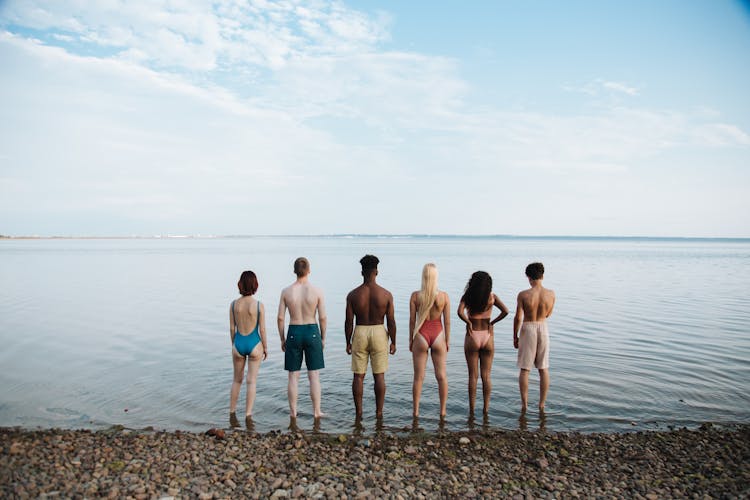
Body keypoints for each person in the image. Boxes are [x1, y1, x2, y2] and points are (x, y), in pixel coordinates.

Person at [345, 254, 397, 420]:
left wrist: (348, 341)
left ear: (362, 272)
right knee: (379, 375)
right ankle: (379, 413)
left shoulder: (353, 295)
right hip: (379, 332)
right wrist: (394, 341)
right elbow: (391, 321)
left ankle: (359, 413)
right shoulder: (386, 294)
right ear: (376, 272)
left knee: (358, 376)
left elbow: (348, 322)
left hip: (360, 331)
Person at [277, 257, 327, 419]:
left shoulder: (286, 291)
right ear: (309, 270)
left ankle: (293, 412)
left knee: (293, 375)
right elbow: (323, 318)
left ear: (294, 271)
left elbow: (280, 318)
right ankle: (317, 412)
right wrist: (323, 338)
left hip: (294, 331)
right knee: (314, 375)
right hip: (312, 330)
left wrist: (282, 339)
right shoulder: (317, 291)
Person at [457, 271, 509, 416]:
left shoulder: (467, 297)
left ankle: (472, 410)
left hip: (472, 335)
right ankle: (486, 409)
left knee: (472, 376)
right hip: (487, 335)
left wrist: (467, 321)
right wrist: (492, 323)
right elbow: (505, 311)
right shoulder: (492, 297)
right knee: (486, 376)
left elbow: (459, 312)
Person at [409, 263, 450, 418]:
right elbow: (447, 322)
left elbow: (412, 321)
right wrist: (447, 340)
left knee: (418, 377)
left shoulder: (415, 296)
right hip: (439, 334)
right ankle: (443, 411)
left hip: (420, 335)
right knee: (441, 376)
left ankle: (416, 412)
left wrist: (410, 340)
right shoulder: (444, 296)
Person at [514, 262, 555, 412]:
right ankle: (542, 404)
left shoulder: (523, 294)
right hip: (543, 327)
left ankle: (524, 405)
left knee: (525, 369)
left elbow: (518, 317)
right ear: (542, 276)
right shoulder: (551, 294)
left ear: (528, 277)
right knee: (543, 368)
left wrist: (515, 336)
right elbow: (548, 314)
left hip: (528, 327)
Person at [229, 270, 268, 422]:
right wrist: (265, 347)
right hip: (254, 344)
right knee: (251, 381)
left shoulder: (233, 305)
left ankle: (232, 412)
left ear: (240, 284)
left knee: (236, 380)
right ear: (255, 285)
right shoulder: (258, 305)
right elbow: (262, 329)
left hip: (238, 343)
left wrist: (234, 343)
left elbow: (232, 328)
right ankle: (248, 415)